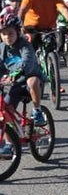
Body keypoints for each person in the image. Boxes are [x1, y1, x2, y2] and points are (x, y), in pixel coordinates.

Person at [0, 15, 47, 158]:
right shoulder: (1, 48)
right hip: (13, 84)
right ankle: (9, 144)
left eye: (11, 33)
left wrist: (17, 72)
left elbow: (27, 61)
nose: (7, 37)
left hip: (30, 79)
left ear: (18, 32)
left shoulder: (25, 45)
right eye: (3, 34)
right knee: (4, 112)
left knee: (31, 81)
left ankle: (37, 111)